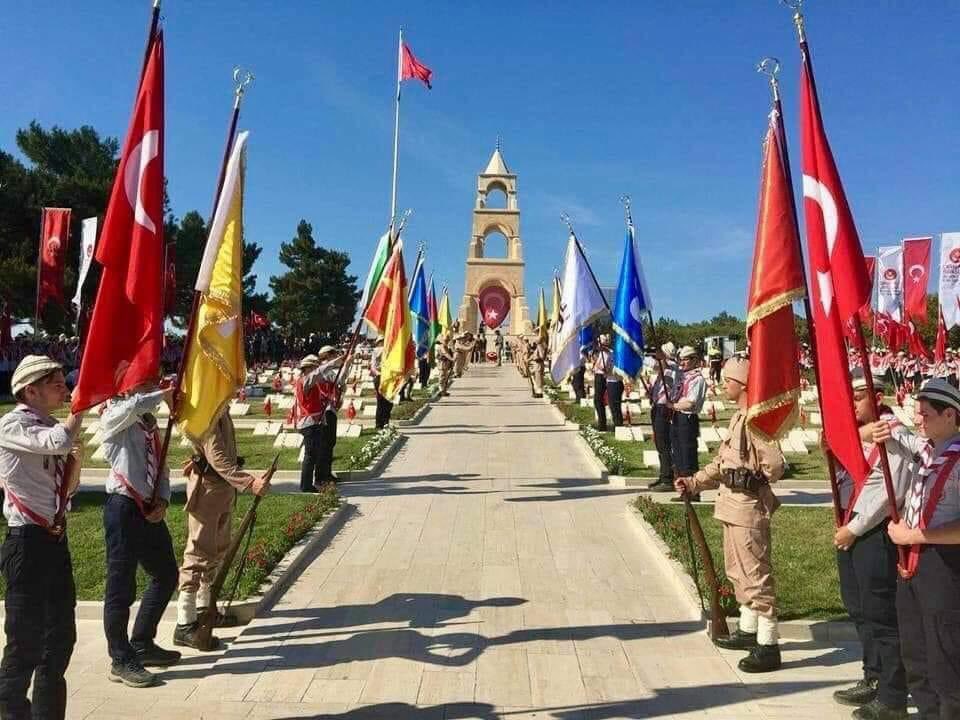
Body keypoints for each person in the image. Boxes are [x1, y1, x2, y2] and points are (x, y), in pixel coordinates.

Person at [675, 356, 785, 673]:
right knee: (738, 572)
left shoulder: (755, 421)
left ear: (743, 383)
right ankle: (749, 631)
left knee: (755, 575)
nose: (723, 384)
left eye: (728, 380)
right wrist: (694, 481)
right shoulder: (739, 418)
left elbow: (774, 465)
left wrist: (754, 479)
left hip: (748, 507)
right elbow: (722, 464)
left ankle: (768, 644)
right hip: (731, 505)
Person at [871, 378, 960, 719]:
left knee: (946, 663)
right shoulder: (925, 447)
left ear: (950, 415)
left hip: (944, 565)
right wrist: (882, 429)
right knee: (917, 657)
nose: (918, 421)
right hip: (912, 567)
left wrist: (917, 536)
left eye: (925, 415)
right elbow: (891, 432)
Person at [0, 355, 83, 719]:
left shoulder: (48, 426)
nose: (64, 386)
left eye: (63, 380)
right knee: (24, 647)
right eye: (55, 381)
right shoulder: (11, 425)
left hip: (53, 542)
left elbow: (67, 486)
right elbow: (59, 439)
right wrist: (83, 403)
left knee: (59, 641)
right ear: (30, 391)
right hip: (26, 544)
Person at [830, 369, 911, 720]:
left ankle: (893, 694)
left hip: (873, 533)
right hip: (850, 529)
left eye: (859, 396)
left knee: (881, 615)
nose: (852, 403)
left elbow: (887, 491)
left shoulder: (895, 433)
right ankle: (873, 674)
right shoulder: (859, 434)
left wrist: (856, 527)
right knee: (859, 609)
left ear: (878, 397)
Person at [99, 382, 181, 689]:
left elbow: (161, 465)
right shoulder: (113, 413)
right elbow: (132, 406)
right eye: (146, 380)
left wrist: (162, 498)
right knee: (121, 586)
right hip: (123, 507)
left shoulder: (149, 423)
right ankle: (120, 658)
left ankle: (143, 641)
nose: (154, 383)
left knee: (166, 574)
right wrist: (163, 393)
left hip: (149, 507)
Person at [174, 409, 271, 650]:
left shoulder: (220, 409)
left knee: (216, 552)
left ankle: (206, 610)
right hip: (208, 491)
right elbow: (218, 459)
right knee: (197, 554)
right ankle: (185, 623)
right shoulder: (210, 411)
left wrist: (250, 477)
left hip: (222, 491)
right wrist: (250, 482)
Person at [294, 347, 345, 491]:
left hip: (315, 421)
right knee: (310, 455)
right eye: (313, 367)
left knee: (314, 454)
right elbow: (319, 373)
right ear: (307, 368)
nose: (316, 370)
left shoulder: (308, 381)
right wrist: (334, 362)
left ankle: (311, 483)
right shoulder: (306, 380)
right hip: (309, 422)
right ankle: (306, 486)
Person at [670, 346, 707, 488]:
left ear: (694, 360)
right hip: (677, 417)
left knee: (688, 456)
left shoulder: (697, 379)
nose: (682, 362)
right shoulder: (683, 377)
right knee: (678, 454)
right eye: (681, 359)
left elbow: (690, 403)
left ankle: (692, 490)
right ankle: (682, 488)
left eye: (685, 359)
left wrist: (673, 406)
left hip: (687, 419)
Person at [647, 342, 679, 492]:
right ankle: (663, 475)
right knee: (659, 444)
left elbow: (666, 368)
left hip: (664, 409)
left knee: (664, 444)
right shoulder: (663, 365)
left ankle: (667, 479)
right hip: (657, 406)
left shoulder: (672, 366)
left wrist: (662, 359)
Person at [591, 335, 612, 431]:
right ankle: (601, 422)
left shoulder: (606, 354)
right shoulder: (602, 353)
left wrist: (596, 363)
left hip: (601, 377)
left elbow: (604, 368)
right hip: (598, 376)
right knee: (597, 400)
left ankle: (602, 424)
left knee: (599, 400)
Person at [370, 338, 393, 429]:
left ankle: (386, 421)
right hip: (379, 376)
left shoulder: (391, 349)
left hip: (389, 377)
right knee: (381, 401)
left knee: (388, 400)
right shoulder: (376, 350)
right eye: (382, 341)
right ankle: (379, 423)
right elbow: (373, 366)